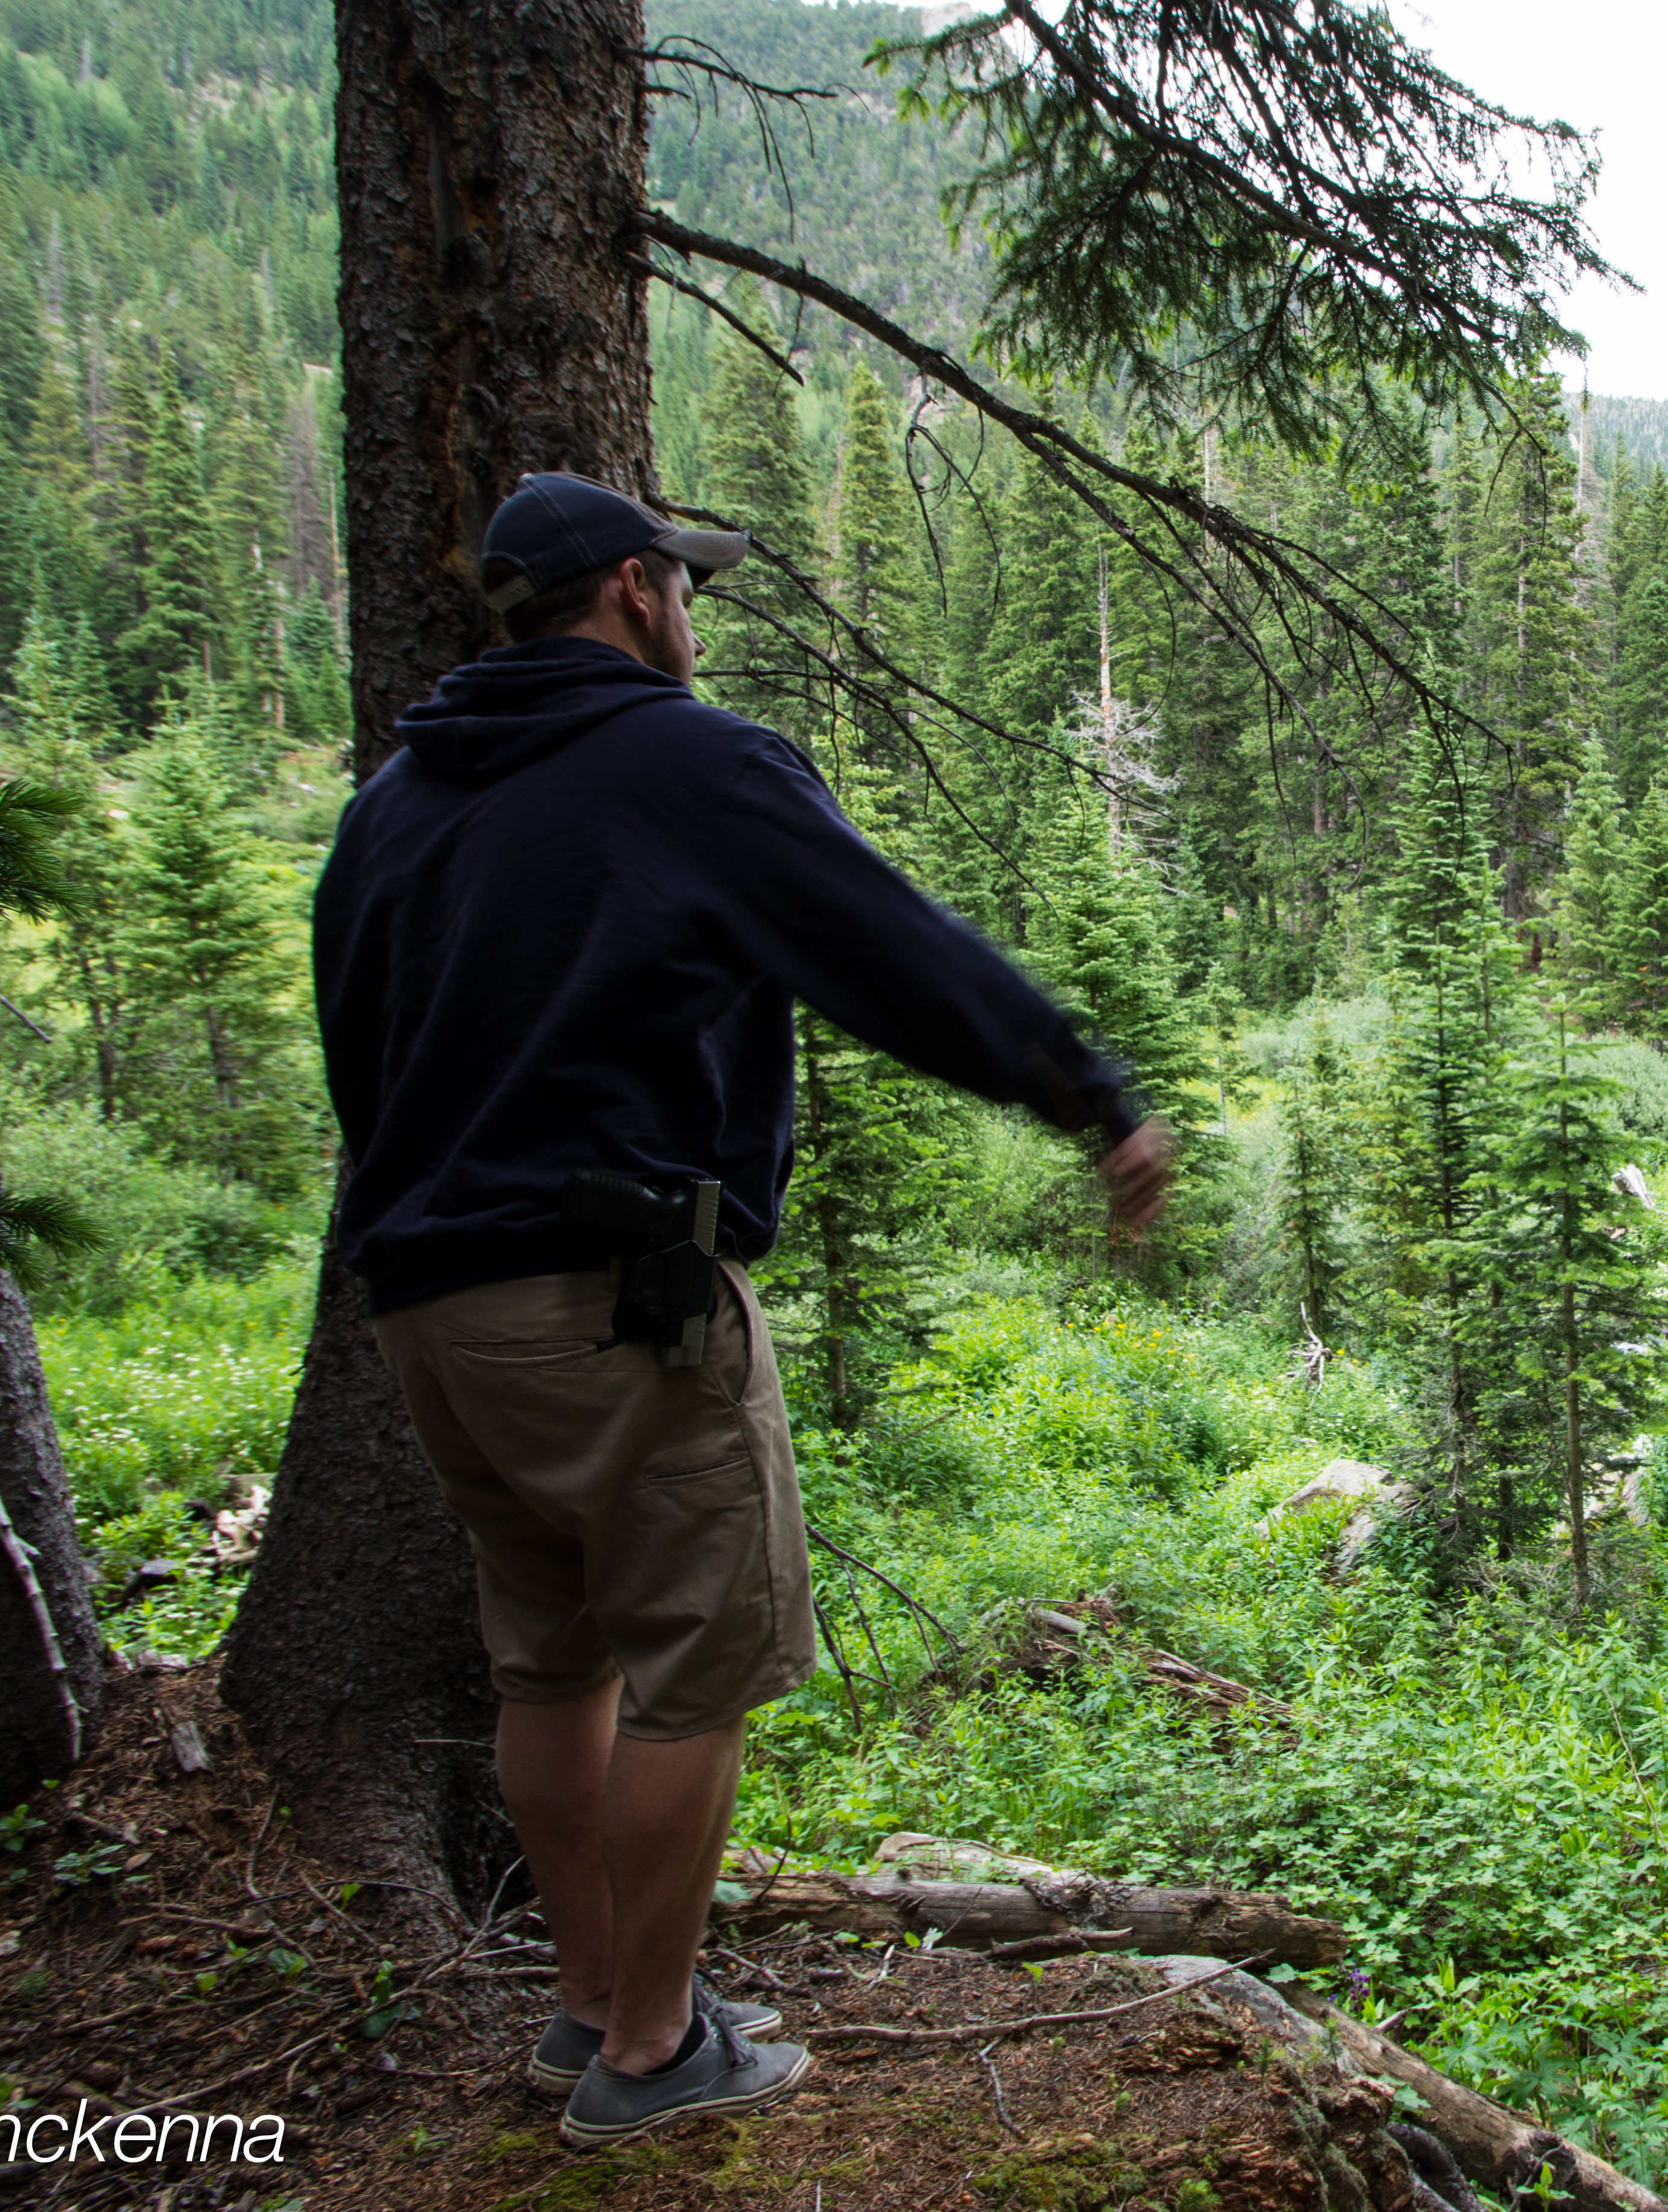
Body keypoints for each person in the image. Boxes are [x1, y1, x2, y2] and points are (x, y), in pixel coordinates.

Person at [314, 470, 1173, 2147]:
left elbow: (361, 1046)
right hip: (618, 1296)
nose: (693, 612)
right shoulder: (690, 764)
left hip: (428, 1304)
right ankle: (651, 2052)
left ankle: (589, 2009)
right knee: (692, 1666)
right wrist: (1089, 1091)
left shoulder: (395, 801)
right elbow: (889, 947)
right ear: (636, 592)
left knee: (551, 1659)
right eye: (683, 586)